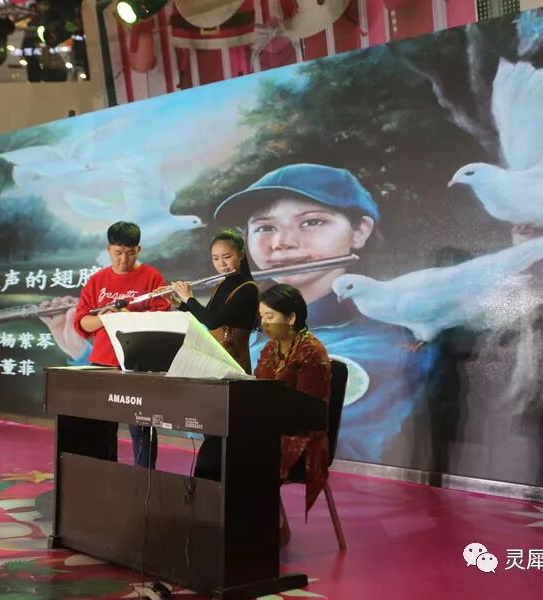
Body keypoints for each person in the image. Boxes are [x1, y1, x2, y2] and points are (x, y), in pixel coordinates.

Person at [214, 163, 438, 463]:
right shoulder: (256, 329)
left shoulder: (378, 347)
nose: (282, 243)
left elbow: (304, 448)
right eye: (265, 228)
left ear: (360, 231)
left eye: (312, 222)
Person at [42, 222, 171, 468]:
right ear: (108, 249)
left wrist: (128, 317)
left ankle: (144, 478)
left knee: (141, 427)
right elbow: (82, 323)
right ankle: (105, 474)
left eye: (130, 253)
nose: (123, 259)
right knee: (102, 426)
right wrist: (105, 318)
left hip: (138, 364)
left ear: (139, 250)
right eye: (118, 253)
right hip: (103, 361)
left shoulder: (152, 277)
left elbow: (162, 318)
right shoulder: (97, 280)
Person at [168, 229, 259, 480]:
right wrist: (180, 303)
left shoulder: (247, 288)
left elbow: (213, 321)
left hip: (232, 363)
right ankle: (210, 483)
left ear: (241, 255)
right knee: (211, 427)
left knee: (223, 430)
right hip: (215, 362)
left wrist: (189, 297)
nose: (221, 264)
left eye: (227, 257)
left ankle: (221, 482)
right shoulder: (223, 284)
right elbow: (206, 317)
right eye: (216, 259)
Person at [255, 284, 331, 547]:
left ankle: (272, 529)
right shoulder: (270, 348)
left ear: (291, 318)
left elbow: (307, 410)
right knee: (216, 452)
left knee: (248, 455)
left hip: (302, 436)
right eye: (261, 317)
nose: (264, 324)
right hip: (271, 428)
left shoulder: (311, 351)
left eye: (270, 317)